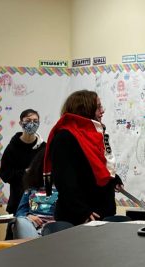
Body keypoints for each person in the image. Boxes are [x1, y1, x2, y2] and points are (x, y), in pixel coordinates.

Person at [43, 90, 123, 226]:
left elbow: (99, 167)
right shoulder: (64, 137)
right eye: (98, 107)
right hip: (78, 217)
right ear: (85, 110)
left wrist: (114, 179)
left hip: (102, 213)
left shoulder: (97, 135)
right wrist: (82, 211)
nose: (102, 111)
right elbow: (65, 180)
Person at [0, 109, 46, 239]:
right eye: (28, 121)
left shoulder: (43, 147)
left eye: (35, 121)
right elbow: (4, 173)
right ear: (21, 123)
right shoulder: (12, 148)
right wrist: (24, 173)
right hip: (18, 199)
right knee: (15, 238)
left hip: (40, 202)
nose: (32, 124)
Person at [13, 149, 58, 239]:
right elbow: (20, 212)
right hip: (33, 226)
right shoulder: (31, 188)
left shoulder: (64, 187)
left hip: (56, 227)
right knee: (21, 221)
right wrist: (28, 216)